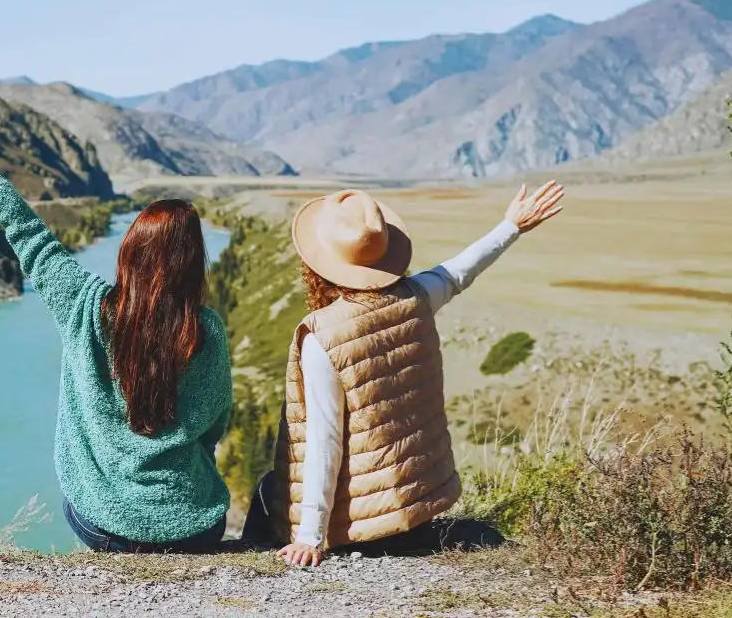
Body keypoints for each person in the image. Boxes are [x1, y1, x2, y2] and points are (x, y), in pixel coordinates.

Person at [0, 100, 232, 553]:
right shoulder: (205, 331)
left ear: (129, 253)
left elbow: (26, 229)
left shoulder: (84, 305)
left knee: (81, 499)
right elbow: (215, 422)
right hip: (193, 526)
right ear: (190, 263)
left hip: (104, 524)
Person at [241, 183, 565, 566]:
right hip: (417, 507)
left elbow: (324, 438)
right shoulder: (417, 297)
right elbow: (458, 272)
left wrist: (310, 537)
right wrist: (511, 226)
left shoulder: (323, 337)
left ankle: (252, 562)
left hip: (363, 526)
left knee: (269, 489)